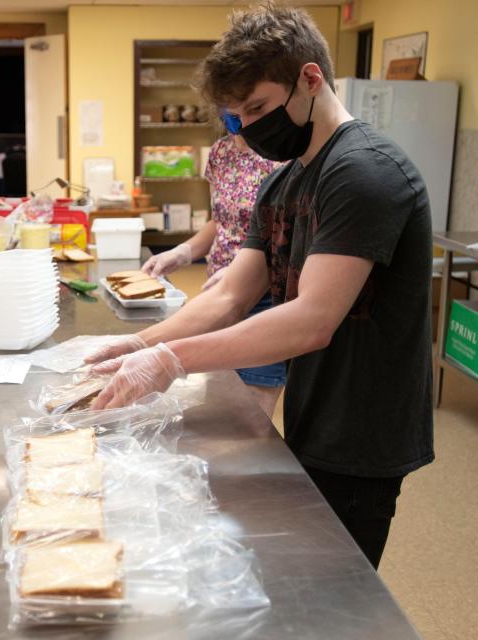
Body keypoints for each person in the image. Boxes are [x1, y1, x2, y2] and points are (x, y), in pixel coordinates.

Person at [84, 1, 434, 569]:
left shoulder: (364, 173)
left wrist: (171, 360)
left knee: (334, 589)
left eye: (258, 108)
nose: (250, 129)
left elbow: (311, 319)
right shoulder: (285, 184)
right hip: (315, 407)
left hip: (364, 426)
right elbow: (228, 295)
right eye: (236, 117)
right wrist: (139, 346)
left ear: (310, 78)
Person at [141, 129, 285, 418]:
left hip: (266, 294)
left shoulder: (281, 154)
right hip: (217, 295)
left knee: (252, 411)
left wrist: (240, 270)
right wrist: (183, 251)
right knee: (220, 394)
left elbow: (291, 236)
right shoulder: (221, 152)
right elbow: (219, 222)